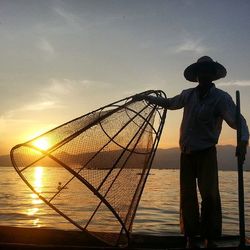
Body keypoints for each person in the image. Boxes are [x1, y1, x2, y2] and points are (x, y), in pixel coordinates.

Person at [135, 56, 249, 248]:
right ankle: (190, 238)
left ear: (212, 75)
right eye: (200, 72)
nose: (203, 75)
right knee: (187, 196)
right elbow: (170, 103)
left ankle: (210, 238)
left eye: (207, 71)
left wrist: (243, 142)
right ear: (196, 75)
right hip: (186, 154)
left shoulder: (221, 98)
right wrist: (148, 98)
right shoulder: (188, 95)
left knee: (210, 195)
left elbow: (239, 122)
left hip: (206, 153)